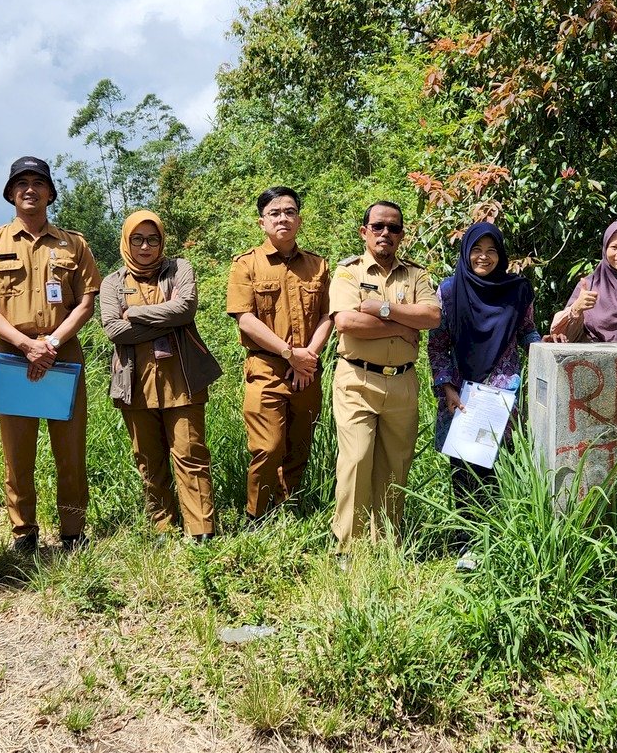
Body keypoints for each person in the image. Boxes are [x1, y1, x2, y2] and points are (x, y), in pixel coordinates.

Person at [0, 156, 101, 554]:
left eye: (38, 181)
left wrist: (51, 344)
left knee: (70, 453)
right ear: (9, 193)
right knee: (17, 456)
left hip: (63, 359)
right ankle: (24, 533)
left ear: (50, 193)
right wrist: (26, 345)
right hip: (13, 357)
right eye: (20, 182)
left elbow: (86, 303)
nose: (29, 188)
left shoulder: (74, 244)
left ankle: (73, 532)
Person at [100, 210, 222, 540]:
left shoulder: (179, 268)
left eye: (152, 239)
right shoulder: (112, 282)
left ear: (161, 241)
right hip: (135, 385)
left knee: (191, 454)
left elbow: (186, 309)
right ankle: (163, 529)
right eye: (137, 239)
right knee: (149, 461)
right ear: (126, 241)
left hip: (183, 381)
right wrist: (165, 322)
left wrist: (136, 313)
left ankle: (201, 532)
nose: (145, 247)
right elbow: (114, 329)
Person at [328, 201, 441, 554]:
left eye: (393, 228)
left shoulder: (416, 275)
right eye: (378, 227)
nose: (385, 234)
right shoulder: (348, 273)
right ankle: (348, 546)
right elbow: (346, 322)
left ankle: (388, 541)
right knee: (357, 460)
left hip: (403, 383)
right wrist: (403, 325)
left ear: (401, 235)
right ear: (364, 232)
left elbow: (432, 317)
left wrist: (382, 309)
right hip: (357, 380)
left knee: (396, 464)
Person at [427, 222, 538, 570]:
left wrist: (545, 351)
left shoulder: (517, 291)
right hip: (460, 392)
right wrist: (446, 387)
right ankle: (468, 544)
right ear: (465, 253)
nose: (483, 257)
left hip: (502, 393)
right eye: (477, 249)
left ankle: (500, 541)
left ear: (501, 255)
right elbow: (437, 345)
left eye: (491, 251)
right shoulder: (448, 291)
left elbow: (527, 331)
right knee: (463, 469)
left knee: (500, 467)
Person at [225, 187, 333, 521]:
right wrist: (290, 354)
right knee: (268, 448)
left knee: (299, 447)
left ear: (299, 218)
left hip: (307, 370)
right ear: (262, 222)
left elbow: (330, 316)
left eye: (289, 211)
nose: (282, 218)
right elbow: (244, 318)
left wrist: (308, 357)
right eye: (274, 213)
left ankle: (289, 513)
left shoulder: (318, 266)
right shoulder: (246, 265)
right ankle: (256, 516)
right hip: (266, 368)